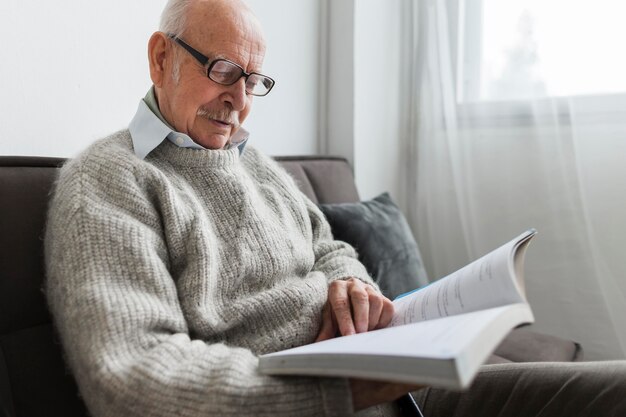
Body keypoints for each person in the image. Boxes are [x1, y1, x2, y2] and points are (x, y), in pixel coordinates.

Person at [45, 0, 626, 416]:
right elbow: (132, 377)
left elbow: (329, 246)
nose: (240, 103)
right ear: (160, 58)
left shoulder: (259, 165)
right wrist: (340, 389)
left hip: (410, 388)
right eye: (223, 71)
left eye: (253, 81)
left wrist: (349, 281)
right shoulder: (108, 181)